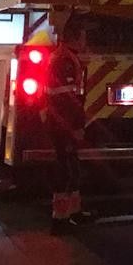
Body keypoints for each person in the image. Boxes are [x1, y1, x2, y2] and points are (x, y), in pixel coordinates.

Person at [43, 46, 89, 229]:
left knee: (72, 168)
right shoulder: (65, 61)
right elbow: (68, 101)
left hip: (60, 124)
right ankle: (60, 219)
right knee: (66, 170)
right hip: (64, 126)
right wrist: (76, 127)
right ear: (77, 37)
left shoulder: (61, 57)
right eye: (83, 35)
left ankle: (72, 213)